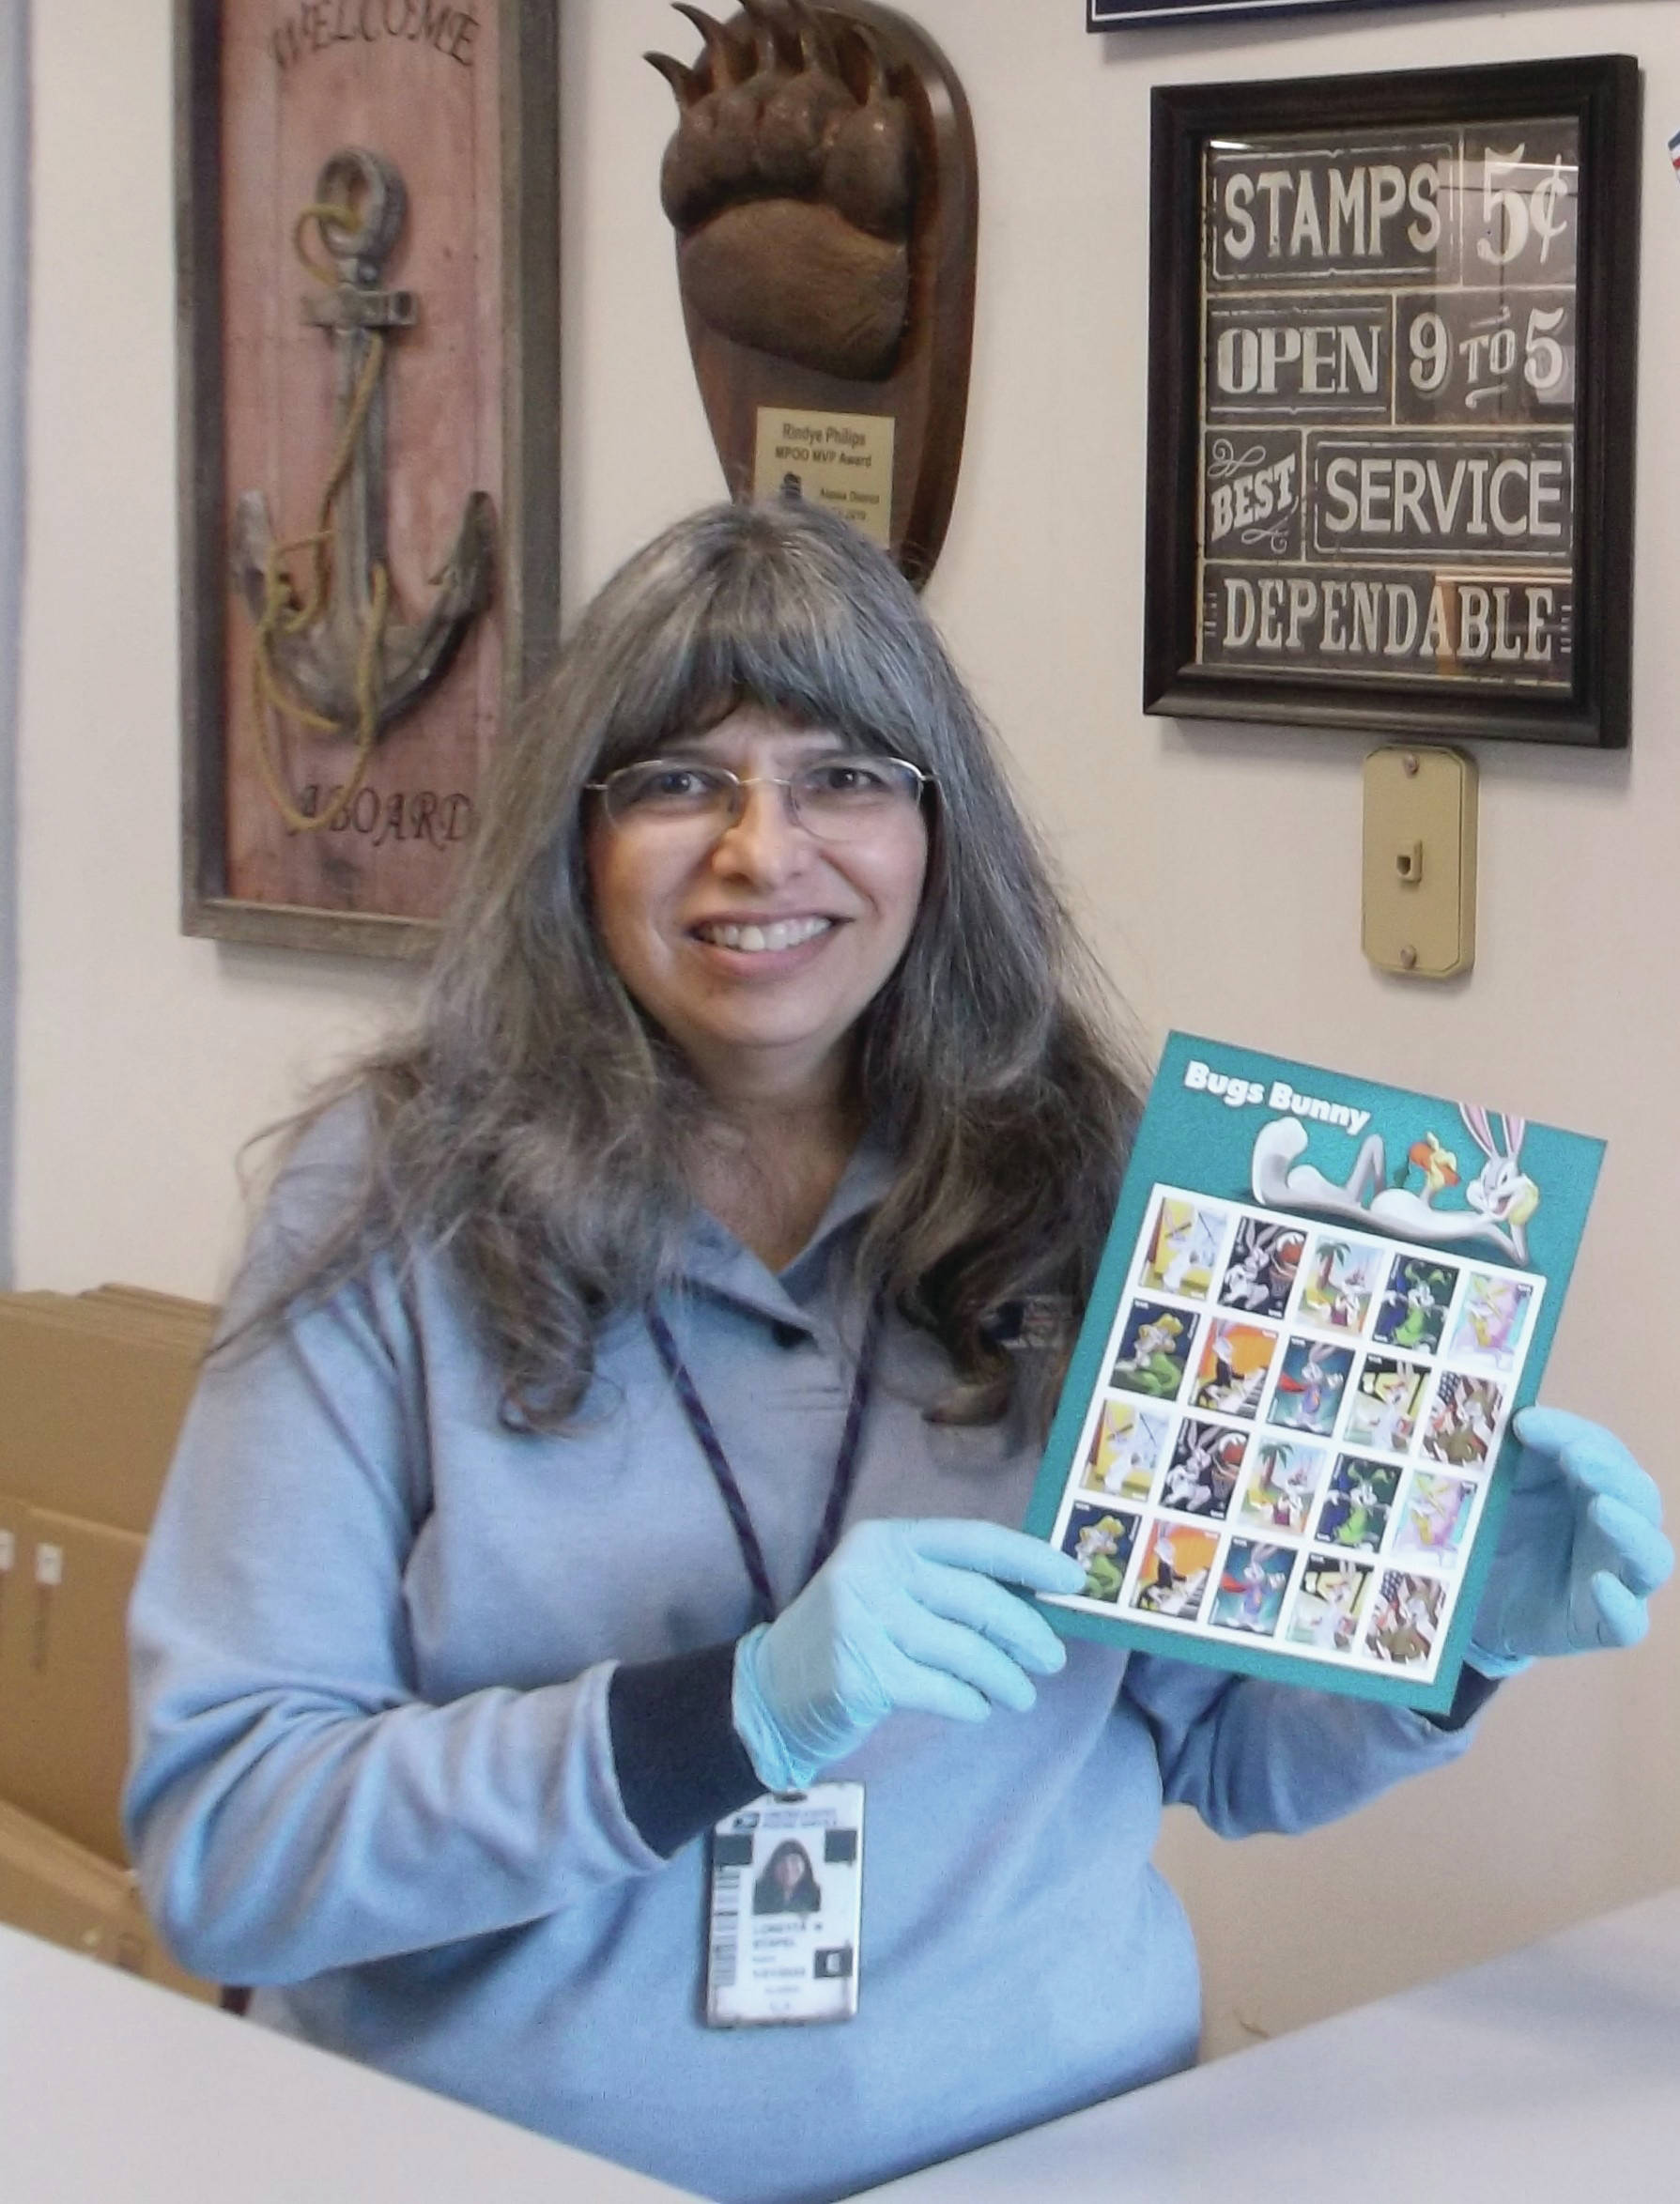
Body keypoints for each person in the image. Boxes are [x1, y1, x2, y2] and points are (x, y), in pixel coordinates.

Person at [126, 499, 1671, 2204]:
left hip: (1068, 2148)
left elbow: (1225, 1751)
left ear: (940, 835)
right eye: (675, 781)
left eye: (844, 776)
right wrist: (721, 1715)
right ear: (570, 843)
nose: (762, 850)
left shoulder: (1096, 1185)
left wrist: (1438, 1634)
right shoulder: (391, 1198)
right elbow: (230, 1844)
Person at [753, 1840, 823, 1917]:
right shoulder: (758, 1893)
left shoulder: (816, 1894)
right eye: (782, 1861)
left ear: (805, 1865)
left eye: (794, 1860)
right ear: (772, 1866)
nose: (788, 1868)